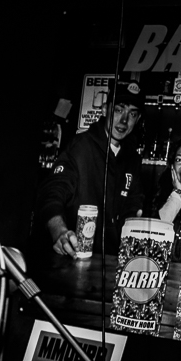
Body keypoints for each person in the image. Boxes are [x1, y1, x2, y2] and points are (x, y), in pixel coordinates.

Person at [35, 78, 146, 258]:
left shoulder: (133, 159)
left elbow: (133, 206)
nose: (124, 120)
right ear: (105, 110)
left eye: (132, 114)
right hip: (74, 255)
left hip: (113, 261)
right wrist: (59, 231)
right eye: (118, 110)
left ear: (138, 119)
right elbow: (52, 193)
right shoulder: (81, 146)